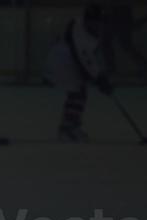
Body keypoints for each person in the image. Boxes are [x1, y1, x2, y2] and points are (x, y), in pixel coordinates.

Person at [45, 3, 113, 141]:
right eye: (94, 21)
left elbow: (89, 57)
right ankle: (67, 129)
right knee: (78, 93)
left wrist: (99, 76)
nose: (97, 25)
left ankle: (70, 126)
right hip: (63, 61)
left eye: (99, 22)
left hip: (70, 62)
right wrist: (98, 78)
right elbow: (83, 57)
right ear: (87, 20)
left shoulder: (93, 31)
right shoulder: (78, 28)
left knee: (79, 93)